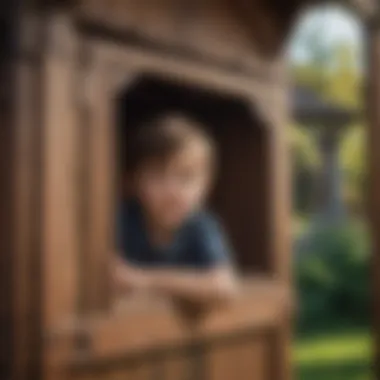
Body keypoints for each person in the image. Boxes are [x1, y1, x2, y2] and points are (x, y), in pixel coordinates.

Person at [113, 113, 237, 306]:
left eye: (186, 177)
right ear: (133, 181)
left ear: (206, 185)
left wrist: (142, 280)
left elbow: (222, 286)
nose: (172, 190)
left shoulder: (201, 225)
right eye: (157, 175)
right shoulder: (122, 219)